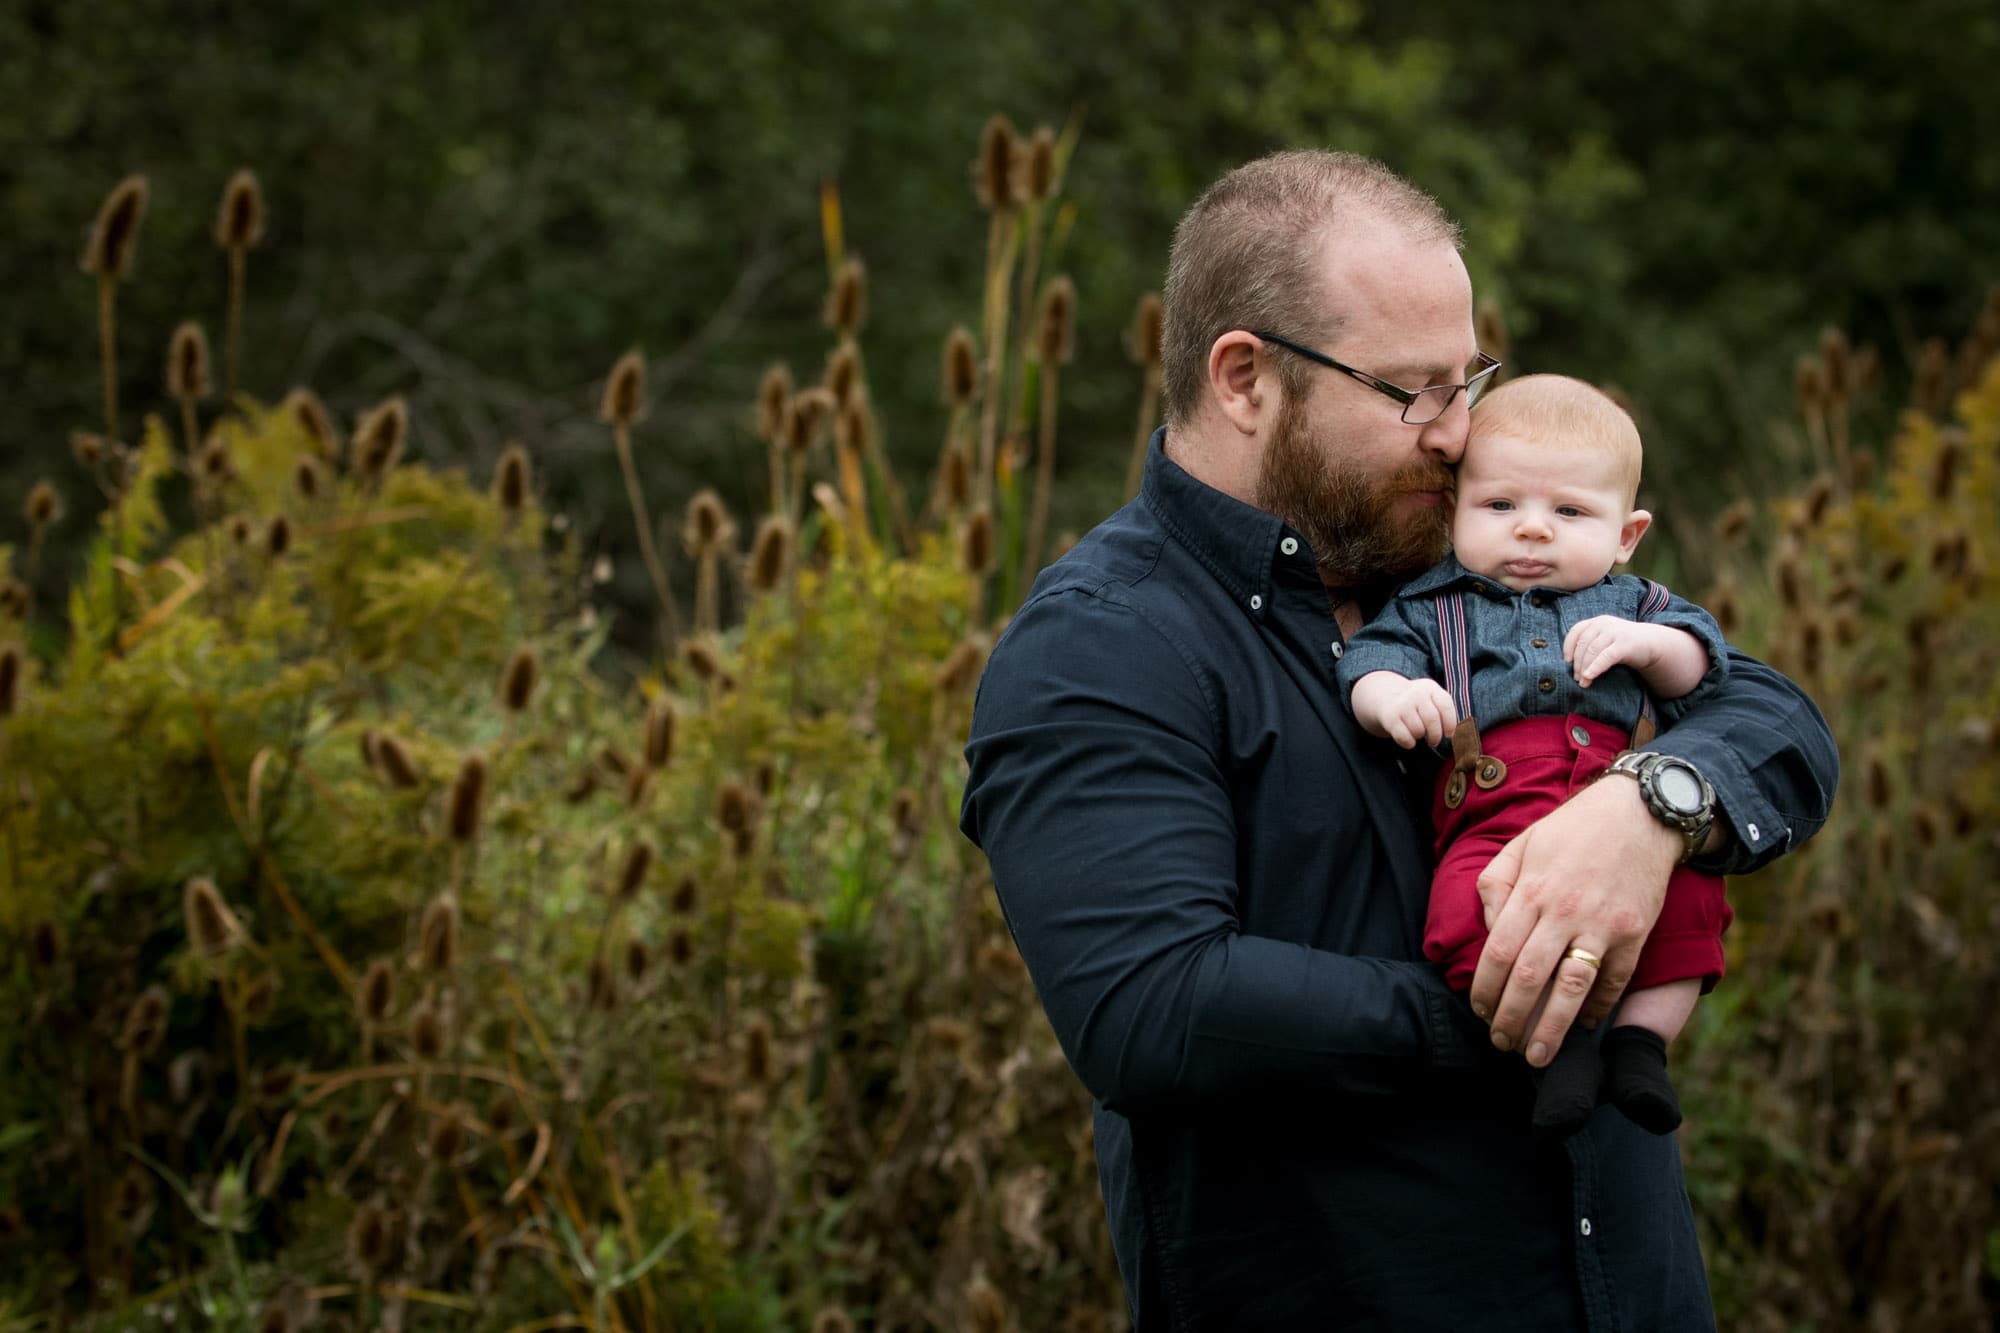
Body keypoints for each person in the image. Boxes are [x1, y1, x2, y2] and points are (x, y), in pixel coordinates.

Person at [957, 149, 1838, 1331]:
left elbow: (1773, 720)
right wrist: (1527, 988)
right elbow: (1152, 1007)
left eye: (1467, 378)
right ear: (1244, 379)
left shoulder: (1467, 556)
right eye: (1412, 391)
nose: (1456, 430)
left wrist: (1648, 804)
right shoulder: (1101, 649)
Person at [1340, 373, 1734, 1142]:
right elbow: (1369, 660)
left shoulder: (1636, 603)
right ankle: (1558, 1051)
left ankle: (1642, 1043)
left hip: (1619, 797)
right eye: (1501, 505)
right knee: (1463, 913)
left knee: (1690, 904)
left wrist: (1650, 648)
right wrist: (1390, 696)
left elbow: (1703, 664)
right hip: (1493, 813)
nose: (1532, 530)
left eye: (1569, 512)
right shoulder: (1432, 605)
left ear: (1626, 534)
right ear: (1452, 509)